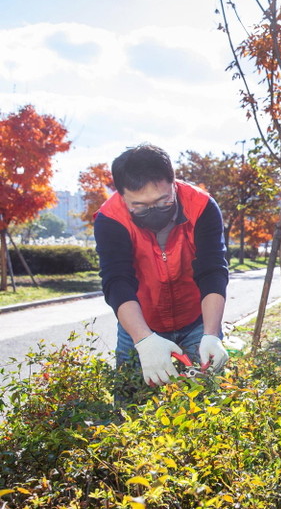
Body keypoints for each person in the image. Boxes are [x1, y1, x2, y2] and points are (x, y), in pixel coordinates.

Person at [94, 144, 229, 387]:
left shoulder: (201, 207)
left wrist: (211, 334)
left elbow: (213, 270)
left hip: (196, 320)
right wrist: (143, 340)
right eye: (139, 206)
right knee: (130, 402)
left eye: (162, 200)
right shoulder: (110, 218)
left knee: (209, 399)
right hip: (140, 322)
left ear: (173, 183)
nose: (153, 211)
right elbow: (117, 280)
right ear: (122, 195)